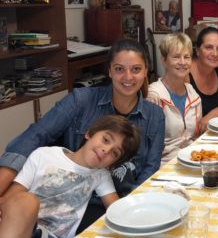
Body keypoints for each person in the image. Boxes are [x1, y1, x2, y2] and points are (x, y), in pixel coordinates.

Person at [0, 38, 165, 230]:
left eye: (136, 69)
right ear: (109, 71)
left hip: (113, 202)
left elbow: (150, 170)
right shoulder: (81, 100)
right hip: (65, 201)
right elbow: (36, 135)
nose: (128, 77)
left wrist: (132, 211)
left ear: (146, 71)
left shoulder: (155, 116)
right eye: (119, 69)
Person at [0, 115, 140, 238]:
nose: (106, 150)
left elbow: (116, 209)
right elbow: (12, 197)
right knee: (27, 200)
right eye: (105, 139)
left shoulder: (101, 175)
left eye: (114, 153)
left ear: (112, 164)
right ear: (89, 133)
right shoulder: (43, 155)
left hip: (50, 235)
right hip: (21, 226)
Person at [147, 33, 202, 164]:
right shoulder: (154, 95)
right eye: (176, 57)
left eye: (187, 57)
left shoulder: (192, 92)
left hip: (192, 159)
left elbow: (195, 136)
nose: (183, 62)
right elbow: (149, 146)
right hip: (165, 164)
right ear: (164, 60)